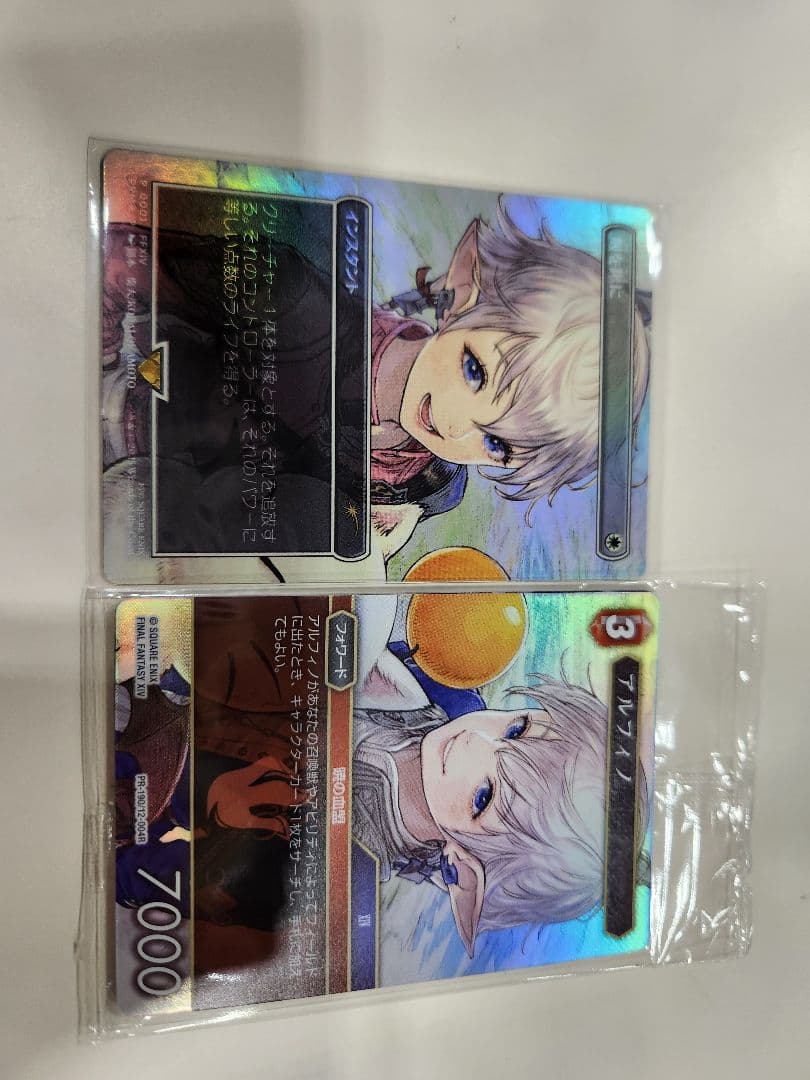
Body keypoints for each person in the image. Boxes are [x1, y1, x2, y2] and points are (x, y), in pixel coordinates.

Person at [352, 594, 650, 956]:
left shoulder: (361, 851)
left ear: (462, 870)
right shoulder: (445, 693)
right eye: (516, 730)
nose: (474, 739)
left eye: (485, 795)